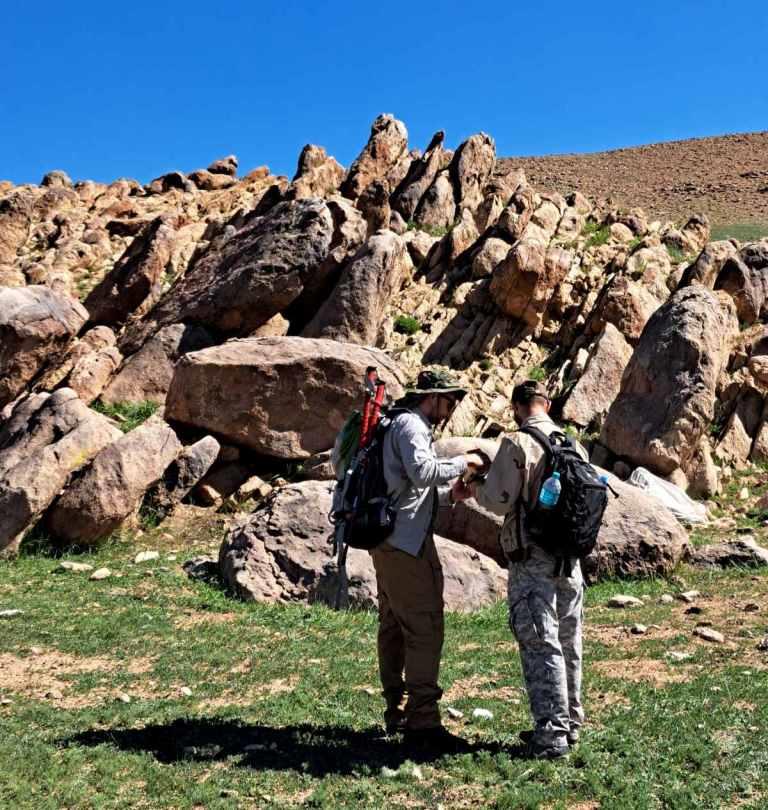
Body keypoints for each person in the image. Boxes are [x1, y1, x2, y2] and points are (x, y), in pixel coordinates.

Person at [452, 380, 587, 760]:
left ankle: (551, 735)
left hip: (533, 559)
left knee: (539, 642)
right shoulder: (574, 444)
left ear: (516, 407)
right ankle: (570, 723)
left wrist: (473, 487)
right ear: (546, 403)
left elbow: (499, 500)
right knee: (568, 640)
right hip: (570, 558)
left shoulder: (518, 443)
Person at [371, 369, 484, 748]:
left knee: (393, 626)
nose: (450, 409)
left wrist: (452, 497)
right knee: (423, 628)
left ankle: (398, 711)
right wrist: (464, 462)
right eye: (449, 400)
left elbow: (407, 493)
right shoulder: (411, 426)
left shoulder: (394, 424)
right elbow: (422, 474)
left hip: (389, 539)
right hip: (404, 546)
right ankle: (422, 722)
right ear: (432, 397)